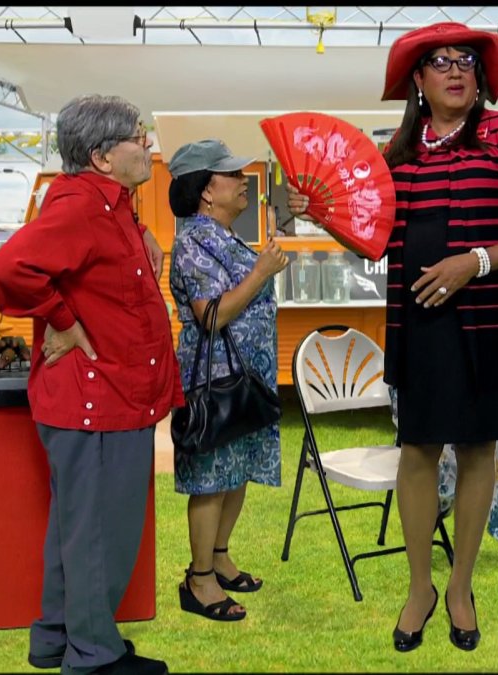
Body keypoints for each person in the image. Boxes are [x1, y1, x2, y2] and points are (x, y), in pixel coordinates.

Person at [288, 22, 498, 652]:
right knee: (417, 453)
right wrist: (324, 213)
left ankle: (460, 585)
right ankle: (421, 588)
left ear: (480, 75)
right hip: (422, 324)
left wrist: (476, 262)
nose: (455, 70)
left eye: (465, 59)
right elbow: (375, 239)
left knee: (475, 453)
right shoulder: (397, 153)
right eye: (439, 62)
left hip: (490, 325)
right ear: (418, 80)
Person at [0, 94, 181, 675]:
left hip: (94, 399)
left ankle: (53, 639)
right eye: (137, 136)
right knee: (101, 535)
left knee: (76, 529)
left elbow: (92, 246)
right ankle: (94, 657)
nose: (148, 144)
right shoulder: (80, 209)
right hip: (95, 400)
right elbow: (9, 269)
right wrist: (66, 323)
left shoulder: (107, 203)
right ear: (101, 156)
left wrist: (141, 229)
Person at [167, 139, 289, 622]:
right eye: (231, 175)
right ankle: (198, 580)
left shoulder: (222, 234)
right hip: (214, 380)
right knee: (212, 478)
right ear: (205, 191)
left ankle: (219, 556)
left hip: (244, 376)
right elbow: (212, 316)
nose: (243, 180)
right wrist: (261, 271)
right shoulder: (192, 240)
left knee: (236, 471)